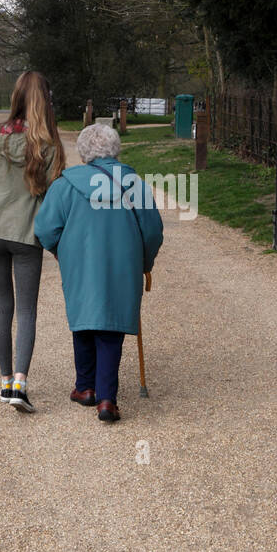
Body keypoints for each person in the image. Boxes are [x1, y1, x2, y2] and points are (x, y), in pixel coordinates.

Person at [34, 123, 164, 423]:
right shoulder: (134, 184)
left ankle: (85, 388)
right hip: (123, 264)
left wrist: (59, 251)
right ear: (115, 149)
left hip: (80, 263)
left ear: (83, 151)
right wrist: (145, 261)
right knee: (111, 326)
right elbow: (153, 231)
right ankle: (107, 399)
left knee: (84, 320)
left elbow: (44, 229)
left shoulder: (65, 184)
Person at [0, 71, 66, 412]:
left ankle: (5, 381)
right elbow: (54, 200)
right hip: (27, 234)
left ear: (16, 98)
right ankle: (20, 385)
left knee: (1, 307)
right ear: (44, 101)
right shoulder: (48, 145)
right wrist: (54, 240)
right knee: (26, 310)